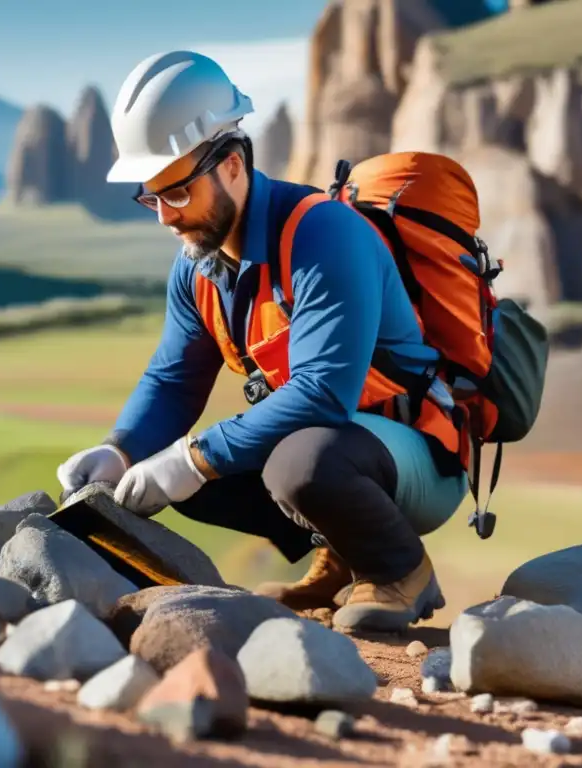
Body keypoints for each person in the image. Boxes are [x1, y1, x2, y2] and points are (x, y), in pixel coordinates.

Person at [56, 50, 469, 632]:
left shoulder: (325, 234)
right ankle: (343, 557)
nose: (165, 219)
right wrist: (118, 450)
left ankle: (401, 568)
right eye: (150, 197)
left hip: (418, 456)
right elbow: (173, 382)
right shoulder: (197, 267)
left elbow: (324, 395)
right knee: (163, 463)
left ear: (230, 164)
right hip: (341, 446)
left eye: (176, 194)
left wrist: (195, 458)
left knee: (296, 463)